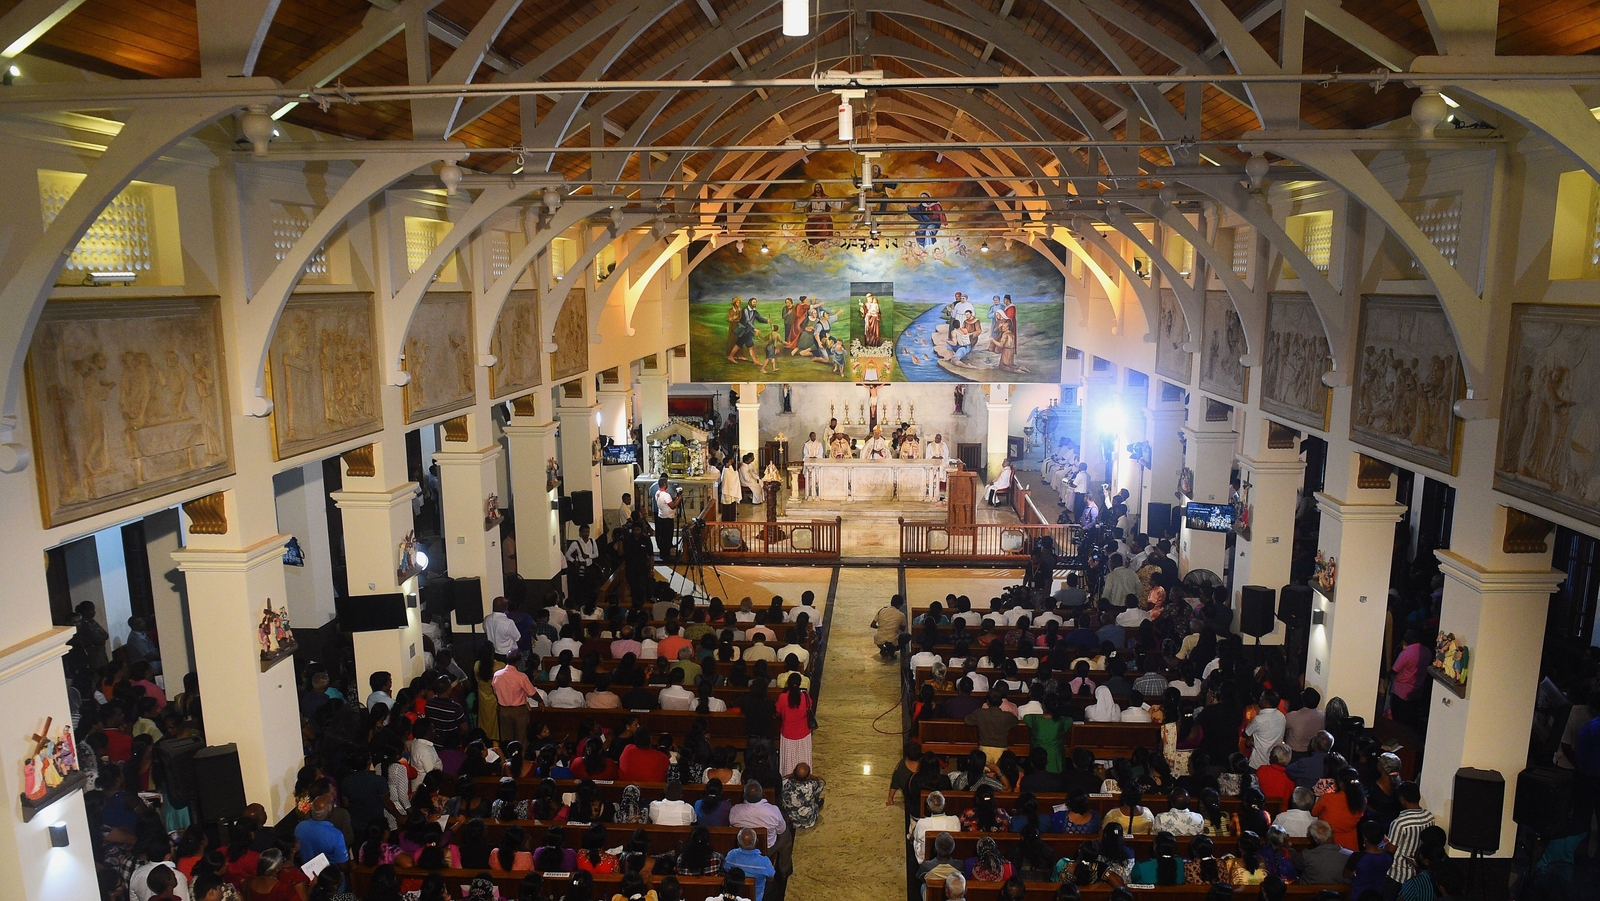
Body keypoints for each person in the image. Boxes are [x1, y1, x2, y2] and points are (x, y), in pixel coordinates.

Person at [1384, 782, 1435, 895]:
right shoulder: (1429, 817)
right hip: (1416, 872)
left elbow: (1390, 850)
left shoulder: (1400, 822)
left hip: (1397, 874)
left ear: (1402, 799)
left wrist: (1383, 844)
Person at [728, 782, 786, 849]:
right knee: (786, 836)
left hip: (743, 846)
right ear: (762, 794)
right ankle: (785, 859)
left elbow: (731, 824)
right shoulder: (773, 810)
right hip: (768, 847)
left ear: (744, 796)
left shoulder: (735, 810)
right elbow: (781, 830)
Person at [723, 828, 777, 901]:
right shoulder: (764, 862)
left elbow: (726, 869)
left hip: (736, 895)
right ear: (757, 842)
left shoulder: (731, 855)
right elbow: (771, 878)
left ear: (738, 843)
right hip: (756, 897)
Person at [910, 791, 962, 863]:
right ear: (944, 805)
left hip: (926, 859)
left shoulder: (922, 823)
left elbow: (916, 839)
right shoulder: (954, 820)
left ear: (928, 808)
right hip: (950, 856)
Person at [1297, 819, 1352, 884]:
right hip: (1342, 893)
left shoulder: (1307, 855)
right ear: (1332, 833)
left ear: (1315, 840)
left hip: (1311, 893)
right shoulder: (1351, 856)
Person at [1245, 690, 1287, 769]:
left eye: (1261, 698)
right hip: (1273, 761)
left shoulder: (1259, 719)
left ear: (1266, 702)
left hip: (1257, 762)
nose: (1259, 699)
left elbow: (1246, 733)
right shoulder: (1281, 716)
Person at [780, 762, 825, 829]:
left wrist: (791, 775)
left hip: (790, 820)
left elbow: (783, 778)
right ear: (807, 777)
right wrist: (812, 777)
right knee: (814, 795)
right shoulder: (811, 785)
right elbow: (822, 782)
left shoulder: (784, 783)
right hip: (808, 821)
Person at [872, 595, 907, 659]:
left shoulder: (882, 610)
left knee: (880, 639)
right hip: (892, 640)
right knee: (907, 636)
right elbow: (903, 629)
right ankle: (891, 651)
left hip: (879, 638)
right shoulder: (901, 615)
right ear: (899, 605)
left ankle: (884, 649)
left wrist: (881, 626)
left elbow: (872, 625)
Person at [653, 476, 679, 560]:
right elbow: (672, 506)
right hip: (667, 518)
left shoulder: (657, 492)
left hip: (661, 516)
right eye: (667, 483)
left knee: (663, 536)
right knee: (667, 537)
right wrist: (679, 499)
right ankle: (666, 555)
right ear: (664, 484)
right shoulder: (666, 495)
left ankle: (662, 553)